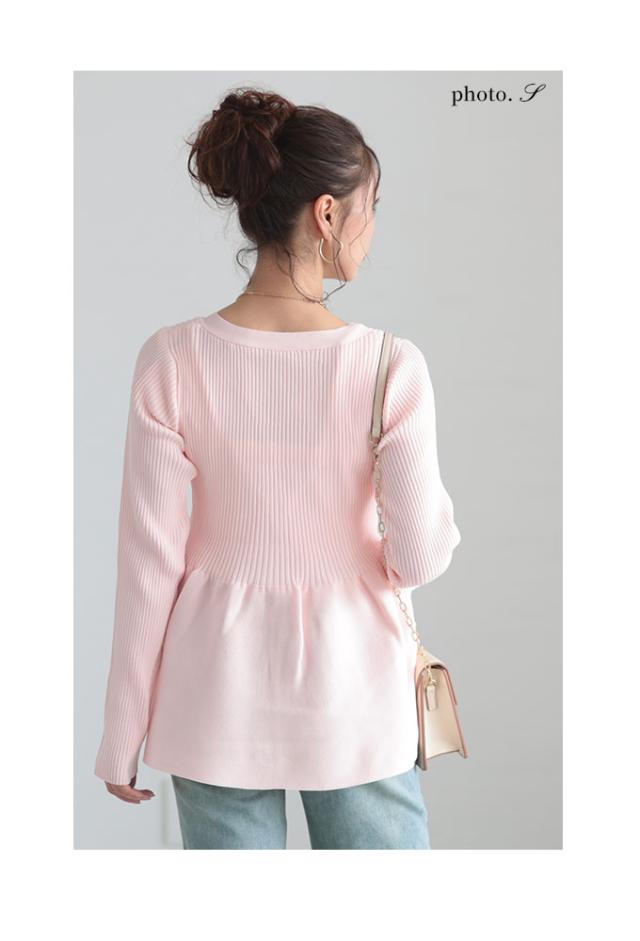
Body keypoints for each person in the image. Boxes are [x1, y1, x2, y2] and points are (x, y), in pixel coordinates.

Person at [93, 86, 462, 850]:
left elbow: (148, 566)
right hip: (356, 700)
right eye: (371, 208)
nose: (372, 230)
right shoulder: (389, 366)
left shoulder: (172, 360)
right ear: (328, 215)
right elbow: (419, 557)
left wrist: (121, 733)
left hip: (211, 696)